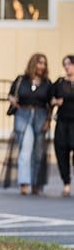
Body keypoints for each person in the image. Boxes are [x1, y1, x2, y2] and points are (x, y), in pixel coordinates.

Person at [0, 52, 53, 196]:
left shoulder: (47, 83)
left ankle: (36, 183)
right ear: (33, 63)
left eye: (44, 63)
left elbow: (50, 103)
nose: (41, 66)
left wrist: (48, 121)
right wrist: (12, 100)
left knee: (38, 153)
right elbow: (11, 94)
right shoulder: (21, 80)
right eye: (39, 62)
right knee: (25, 149)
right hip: (23, 115)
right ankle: (24, 182)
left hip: (40, 116)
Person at [51, 54, 74, 198]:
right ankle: (66, 183)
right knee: (61, 152)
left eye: (69, 64)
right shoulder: (59, 83)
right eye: (64, 64)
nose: (67, 67)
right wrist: (55, 102)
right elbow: (50, 99)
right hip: (62, 123)